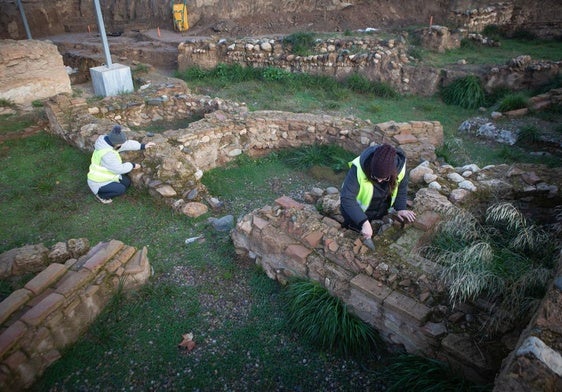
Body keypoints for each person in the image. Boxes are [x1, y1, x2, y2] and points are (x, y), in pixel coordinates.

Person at [340, 143, 416, 239]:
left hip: (381, 209)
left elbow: (401, 188)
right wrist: (364, 222)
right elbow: (347, 198)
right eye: (375, 177)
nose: (379, 181)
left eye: (384, 178)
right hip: (355, 213)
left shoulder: (399, 168)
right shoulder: (358, 168)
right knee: (353, 232)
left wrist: (401, 208)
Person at [87, 125, 155, 204]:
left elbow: (126, 144)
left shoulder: (107, 141)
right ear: (116, 144)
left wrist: (142, 146)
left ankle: (111, 187)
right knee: (121, 189)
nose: (122, 145)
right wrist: (132, 165)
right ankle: (101, 196)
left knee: (127, 183)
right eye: (120, 144)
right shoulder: (107, 154)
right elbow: (118, 169)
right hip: (98, 182)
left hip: (108, 175)